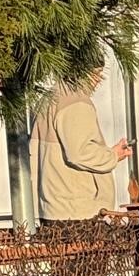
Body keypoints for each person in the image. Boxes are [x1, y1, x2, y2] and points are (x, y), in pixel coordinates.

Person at [34, 72, 131, 223]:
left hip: (56, 208)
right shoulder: (76, 102)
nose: (99, 79)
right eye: (96, 73)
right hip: (78, 210)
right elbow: (78, 154)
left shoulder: (51, 97)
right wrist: (113, 155)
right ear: (81, 69)